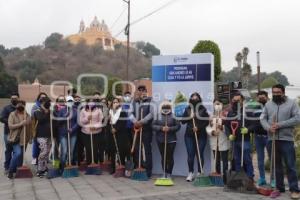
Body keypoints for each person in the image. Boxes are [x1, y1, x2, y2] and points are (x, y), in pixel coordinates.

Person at [260, 84, 300, 199]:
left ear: (283, 92)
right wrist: (268, 127)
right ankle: (279, 188)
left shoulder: (292, 103)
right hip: (272, 139)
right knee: (276, 165)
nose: (276, 94)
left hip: (286, 139)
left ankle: (294, 189)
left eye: (278, 92)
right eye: (274, 92)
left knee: (290, 165)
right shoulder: (268, 104)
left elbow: (297, 118)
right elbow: (262, 118)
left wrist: (279, 125)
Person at [224, 93, 255, 186]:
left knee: (246, 159)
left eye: (238, 100)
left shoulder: (248, 112)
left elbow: (255, 124)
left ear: (242, 100)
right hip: (234, 140)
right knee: (236, 159)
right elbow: (227, 125)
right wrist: (229, 135)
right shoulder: (231, 112)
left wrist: (248, 129)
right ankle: (238, 178)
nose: (236, 102)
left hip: (244, 139)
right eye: (234, 100)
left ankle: (250, 178)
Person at [181, 92, 209, 182]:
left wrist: (198, 127)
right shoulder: (188, 109)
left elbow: (206, 122)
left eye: (196, 98)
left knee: (199, 154)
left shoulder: (203, 109)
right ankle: (190, 173)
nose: (194, 100)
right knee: (190, 155)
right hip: (189, 136)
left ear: (199, 99)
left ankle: (200, 172)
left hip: (201, 136)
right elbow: (182, 121)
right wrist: (189, 117)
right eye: (193, 98)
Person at [246, 91, 270, 186]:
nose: (261, 99)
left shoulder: (271, 107)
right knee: (260, 159)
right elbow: (252, 122)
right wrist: (248, 129)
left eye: (263, 97)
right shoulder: (255, 108)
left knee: (272, 158)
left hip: (269, 136)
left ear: (267, 97)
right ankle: (262, 178)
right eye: (259, 98)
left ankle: (273, 179)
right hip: (257, 136)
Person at [129, 85, 154, 178]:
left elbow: (152, 113)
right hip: (136, 129)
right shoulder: (134, 101)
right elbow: (130, 113)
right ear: (137, 92)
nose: (141, 92)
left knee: (147, 150)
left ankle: (148, 171)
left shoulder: (150, 101)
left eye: (143, 90)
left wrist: (142, 121)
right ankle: (138, 167)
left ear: (146, 91)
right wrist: (135, 121)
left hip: (146, 129)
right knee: (136, 149)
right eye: (139, 90)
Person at [152, 101, 180, 178]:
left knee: (170, 157)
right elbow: (153, 126)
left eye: (167, 108)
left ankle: (169, 173)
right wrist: (161, 128)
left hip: (171, 140)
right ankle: (164, 173)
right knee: (163, 156)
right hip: (160, 139)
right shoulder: (157, 116)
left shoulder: (174, 116)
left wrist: (169, 129)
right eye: (164, 108)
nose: (165, 109)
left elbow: (178, 126)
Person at [206, 99, 229, 184]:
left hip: (223, 141)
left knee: (225, 161)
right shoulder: (211, 117)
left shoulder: (226, 116)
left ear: (222, 105)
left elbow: (229, 128)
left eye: (219, 104)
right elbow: (207, 128)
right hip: (214, 141)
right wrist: (212, 132)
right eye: (215, 104)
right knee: (216, 160)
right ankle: (218, 177)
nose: (217, 106)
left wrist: (222, 128)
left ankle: (226, 178)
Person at [7, 100, 32, 179]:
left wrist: (30, 138)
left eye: (22, 105)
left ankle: (19, 171)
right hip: (15, 138)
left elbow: (30, 128)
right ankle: (10, 171)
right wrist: (21, 124)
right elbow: (10, 126)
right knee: (18, 153)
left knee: (21, 156)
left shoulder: (27, 115)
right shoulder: (12, 114)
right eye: (19, 105)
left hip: (24, 139)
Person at [54, 95, 78, 172]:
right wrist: (65, 117)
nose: (70, 103)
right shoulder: (62, 111)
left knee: (71, 151)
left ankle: (69, 165)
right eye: (68, 101)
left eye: (71, 101)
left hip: (73, 134)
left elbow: (78, 123)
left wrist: (72, 129)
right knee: (64, 151)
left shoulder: (76, 111)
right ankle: (62, 166)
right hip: (63, 133)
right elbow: (58, 122)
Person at [109, 97, 131, 173]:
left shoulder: (122, 112)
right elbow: (106, 123)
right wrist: (111, 129)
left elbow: (123, 122)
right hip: (111, 133)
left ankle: (121, 165)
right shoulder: (109, 112)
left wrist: (116, 129)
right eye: (114, 102)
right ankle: (113, 168)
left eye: (116, 102)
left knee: (121, 150)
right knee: (112, 151)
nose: (115, 104)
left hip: (121, 134)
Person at [79, 99, 103, 165]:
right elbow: (80, 122)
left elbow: (101, 122)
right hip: (85, 133)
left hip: (96, 133)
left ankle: (95, 162)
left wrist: (95, 127)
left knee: (95, 148)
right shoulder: (83, 110)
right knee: (88, 148)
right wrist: (87, 119)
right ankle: (89, 163)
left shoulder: (98, 110)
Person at [0, 92, 19, 175]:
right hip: (8, 132)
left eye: (15, 98)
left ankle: (14, 166)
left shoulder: (20, 108)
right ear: (11, 99)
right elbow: (1, 118)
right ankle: (7, 167)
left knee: (17, 151)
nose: (14, 99)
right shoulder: (6, 108)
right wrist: (10, 123)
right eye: (12, 98)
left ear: (18, 98)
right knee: (8, 150)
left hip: (18, 133)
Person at [34, 97, 52, 177]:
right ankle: (39, 169)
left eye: (49, 102)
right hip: (41, 135)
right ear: (41, 103)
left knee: (47, 152)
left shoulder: (50, 111)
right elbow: (41, 120)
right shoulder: (37, 111)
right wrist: (45, 111)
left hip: (49, 134)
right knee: (43, 151)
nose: (49, 103)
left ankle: (44, 168)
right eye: (47, 102)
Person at [31, 92, 48, 165]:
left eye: (44, 97)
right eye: (41, 97)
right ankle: (35, 157)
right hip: (37, 128)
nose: (43, 98)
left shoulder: (47, 106)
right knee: (36, 144)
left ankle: (43, 159)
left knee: (45, 146)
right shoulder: (35, 106)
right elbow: (33, 116)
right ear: (39, 98)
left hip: (45, 129)